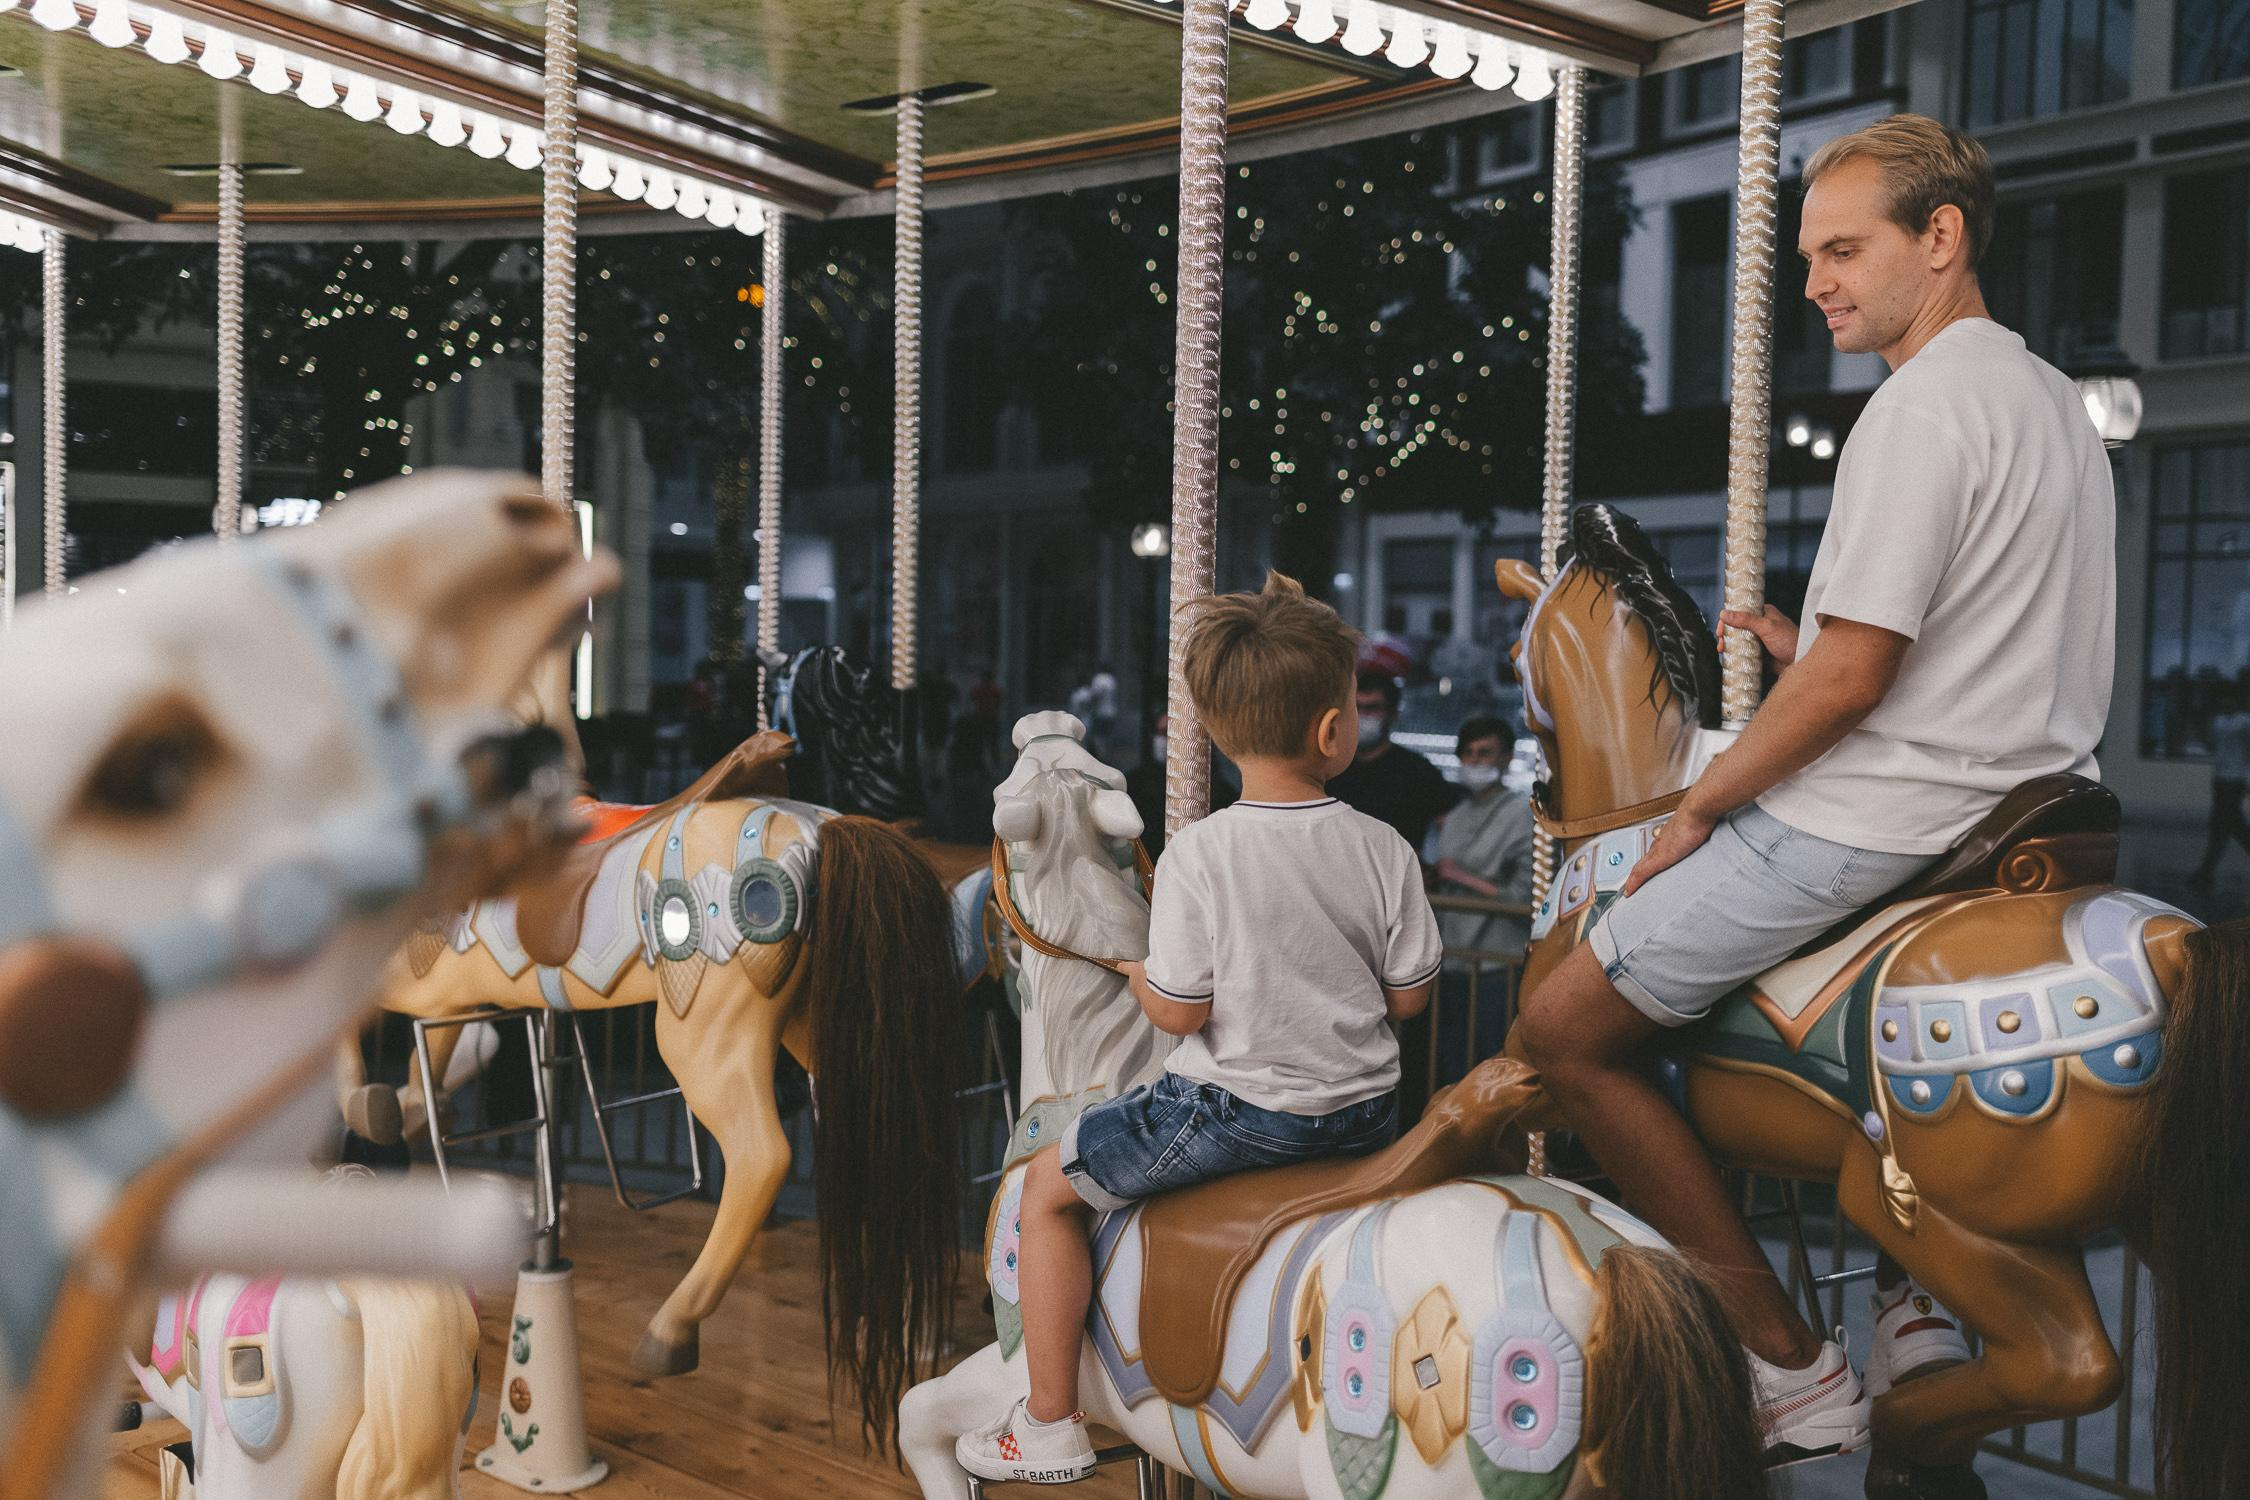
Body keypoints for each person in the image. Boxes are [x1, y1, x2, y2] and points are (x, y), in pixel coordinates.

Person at [1513, 114, 2114, 1465]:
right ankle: (1913, 1294)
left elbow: (1852, 682)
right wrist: (1806, 652)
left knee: (1561, 1025)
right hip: (2030, 810)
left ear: (1940, 239)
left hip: (1889, 812)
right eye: (1806, 255)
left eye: (1845, 249)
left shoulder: (1915, 410)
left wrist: (1700, 802)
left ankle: (1787, 1367)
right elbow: (1947, 639)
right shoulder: (2045, 404)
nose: (1815, 281)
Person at [957, 573, 1440, 1484]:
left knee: (1045, 1192)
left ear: (1215, 738)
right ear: (1335, 732)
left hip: (1239, 1115)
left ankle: (1050, 1419)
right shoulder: (1385, 848)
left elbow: (1181, 1014)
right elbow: (1409, 999)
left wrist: (1143, 976)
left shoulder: (1201, 852)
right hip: (1369, 1115)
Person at [1329, 669, 1462, 856]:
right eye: (1356, 707)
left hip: (1396, 878)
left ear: (1392, 714)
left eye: (1373, 708)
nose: (1363, 715)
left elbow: (1454, 832)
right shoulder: (1329, 769)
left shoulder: (1417, 771)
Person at [2190, 678, 2250, 884]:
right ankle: (2205, 871)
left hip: (2235, 779)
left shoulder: (2244, 722)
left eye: (2230, 700)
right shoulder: (2218, 722)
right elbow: (2212, 745)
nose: (2226, 703)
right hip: (2220, 778)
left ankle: (2206, 871)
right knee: (2233, 825)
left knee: (2222, 824)